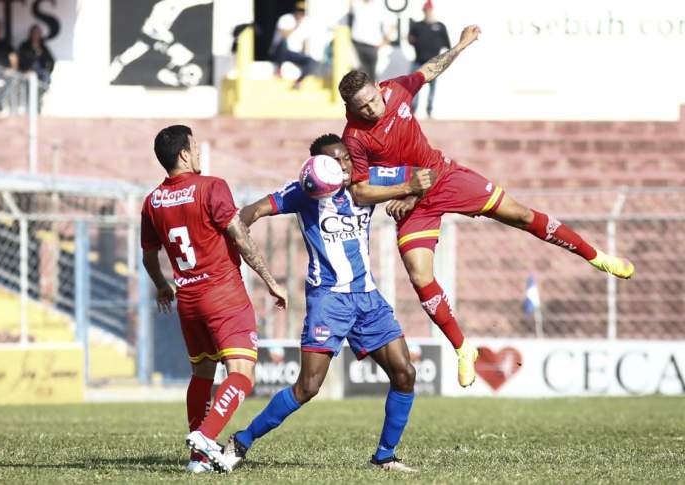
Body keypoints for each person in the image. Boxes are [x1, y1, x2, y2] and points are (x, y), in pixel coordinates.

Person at [338, 25, 635, 388]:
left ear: (378, 88)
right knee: (419, 277)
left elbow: (430, 69)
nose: (371, 108)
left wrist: (461, 44)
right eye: (361, 107)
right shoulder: (353, 136)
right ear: (349, 109)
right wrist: (406, 189)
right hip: (413, 200)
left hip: (445, 176)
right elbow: (360, 192)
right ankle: (464, 349)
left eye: (372, 100)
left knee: (522, 215)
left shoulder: (397, 90)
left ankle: (595, 256)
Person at [221, 134, 433, 473]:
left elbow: (427, 173)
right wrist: (231, 239)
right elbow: (255, 210)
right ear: (319, 166)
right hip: (329, 300)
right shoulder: (305, 191)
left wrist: (409, 195)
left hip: (367, 297)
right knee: (308, 387)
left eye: (347, 158)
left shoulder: (370, 180)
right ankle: (241, 442)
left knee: (405, 373)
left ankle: (384, 457)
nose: (345, 166)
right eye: (336, 162)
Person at [140, 125, 287, 473]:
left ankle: (197, 460)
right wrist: (270, 279)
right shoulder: (212, 187)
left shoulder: (152, 201)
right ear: (184, 155)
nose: (200, 153)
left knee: (203, 374)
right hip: (224, 295)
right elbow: (239, 236)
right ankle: (206, 437)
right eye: (195, 147)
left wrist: (162, 284)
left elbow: (148, 255)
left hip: (188, 301)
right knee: (242, 374)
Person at [108, 0, 211, 87]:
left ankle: (176, 73)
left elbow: (188, 2)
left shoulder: (176, 5)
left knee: (184, 55)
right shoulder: (161, 7)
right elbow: (153, 25)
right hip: (149, 39)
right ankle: (107, 77)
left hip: (157, 41)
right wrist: (165, 36)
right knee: (123, 59)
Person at [408, 0, 450, 117]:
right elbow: (410, 39)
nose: (428, 13)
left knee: (432, 88)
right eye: (426, 10)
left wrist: (443, 61)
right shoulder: (417, 26)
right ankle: (413, 110)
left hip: (434, 64)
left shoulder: (440, 27)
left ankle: (429, 110)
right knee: (414, 88)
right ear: (423, 11)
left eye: (429, 10)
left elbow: (447, 45)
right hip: (419, 62)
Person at [269, 1, 316, 89]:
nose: (301, 14)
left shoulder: (307, 22)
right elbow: (283, 35)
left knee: (311, 61)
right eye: (299, 11)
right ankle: (279, 69)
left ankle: (299, 81)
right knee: (283, 42)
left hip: (292, 53)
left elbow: (305, 41)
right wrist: (296, 26)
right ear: (295, 10)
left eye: (303, 12)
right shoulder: (285, 18)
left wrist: (304, 55)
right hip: (279, 51)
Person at [349, 0, 388, 82]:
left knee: (372, 75)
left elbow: (390, 24)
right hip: (357, 45)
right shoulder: (357, 4)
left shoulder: (378, 7)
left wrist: (385, 40)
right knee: (358, 75)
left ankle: (372, 93)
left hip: (372, 47)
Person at [18, 25, 55, 111]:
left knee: (45, 77)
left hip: (41, 72)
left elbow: (51, 61)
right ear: (30, 34)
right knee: (30, 79)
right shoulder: (25, 46)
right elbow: (20, 60)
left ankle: (38, 99)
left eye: (37, 33)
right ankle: (32, 104)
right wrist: (25, 70)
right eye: (34, 33)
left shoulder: (43, 47)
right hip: (28, 71)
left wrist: (48, 70)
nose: (35, 35)